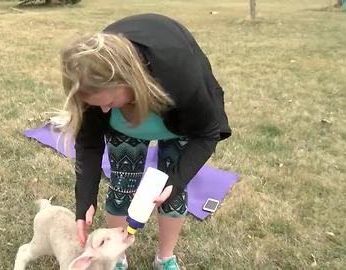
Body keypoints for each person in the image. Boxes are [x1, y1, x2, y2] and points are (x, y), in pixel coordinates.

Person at [57, 13, 231, 270]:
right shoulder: (92, 81)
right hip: (125, 126)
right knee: (122, 187)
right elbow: (90, 143)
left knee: (172, 193)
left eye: (108, 101)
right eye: (97, 105)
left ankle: (165, 258)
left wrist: (177, 180)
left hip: (176, 119)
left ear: (129, 80)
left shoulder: (179, 74)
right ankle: (116, 258)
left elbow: (206, 134)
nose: (103, 110)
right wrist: (85, 201)